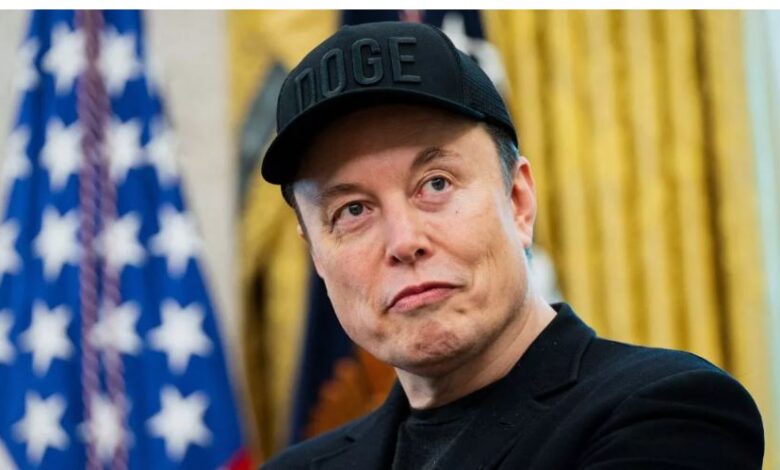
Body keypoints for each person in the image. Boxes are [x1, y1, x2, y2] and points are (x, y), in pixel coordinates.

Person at [259, 21, 764, 469]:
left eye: (436, 184)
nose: (405, 241)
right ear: (316, 254)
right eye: (352, 211)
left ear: (519, 201)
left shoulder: (668, 411)